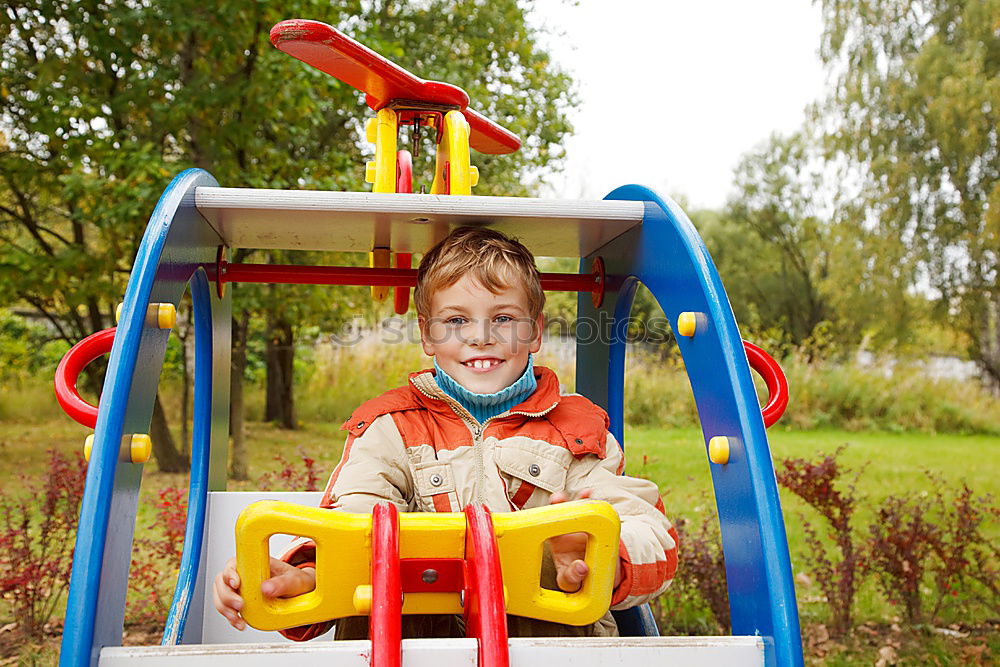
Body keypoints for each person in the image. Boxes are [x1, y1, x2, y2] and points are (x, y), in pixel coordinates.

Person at [214, 226, 678, 639]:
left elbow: (648, 529)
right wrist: (306, 578)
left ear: (535, 331)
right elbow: (353, 524)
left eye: (503, 318)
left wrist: (607, 554)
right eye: (456, 320)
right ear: (427, 333)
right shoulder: (389, 428)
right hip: (411, 650)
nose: (480, 337)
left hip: (544, 649)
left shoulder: (575, 429)